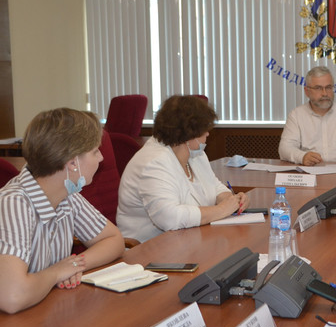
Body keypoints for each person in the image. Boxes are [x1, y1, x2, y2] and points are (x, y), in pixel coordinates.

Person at [0, 108, 125, 314]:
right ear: (73, 162)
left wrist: (74, 266)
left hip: (42, 309)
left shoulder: (67, 193)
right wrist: (57, 272)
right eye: (95, 151)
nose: (101, 158)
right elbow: (12, 297)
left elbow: (114, 240)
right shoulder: (14, 203)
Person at [117, 95, 249, 243]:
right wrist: (222, 209)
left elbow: (213, 185)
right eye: (204, 129)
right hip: (151, 247)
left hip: (187, 240)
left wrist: (231, 199)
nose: (208, 133)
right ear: (188, 134)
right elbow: (170, 218)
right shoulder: (153, 163)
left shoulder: (195, 154)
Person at [279, 66, 336, 166]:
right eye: (318, 88)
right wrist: (302, 157)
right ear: (307, 91)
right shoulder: (296, 115)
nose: (325, 93)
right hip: (311, 171)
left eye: (328, 87)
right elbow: (285, 148)